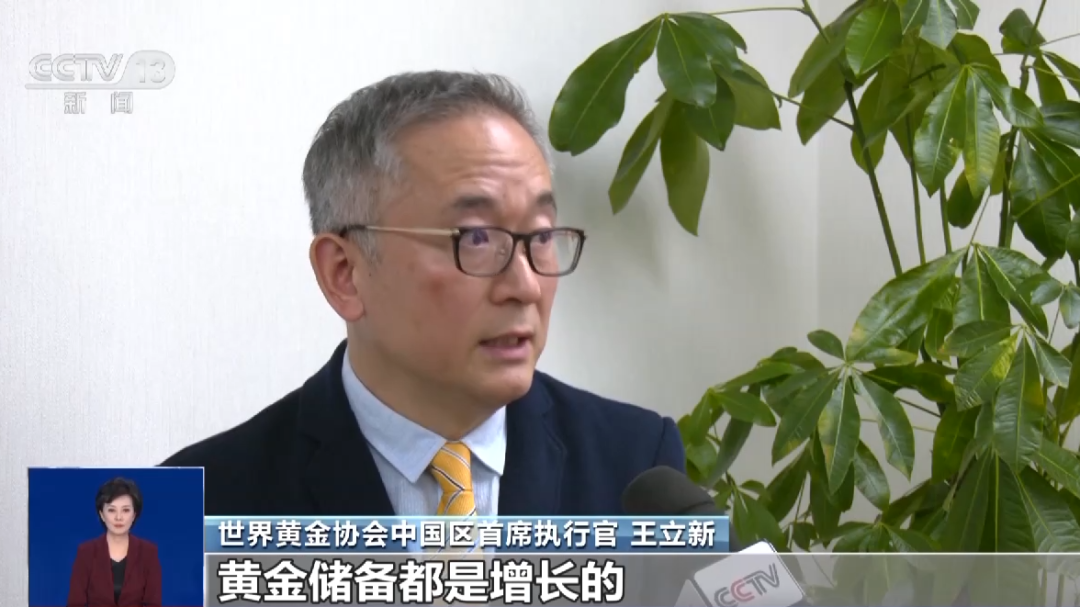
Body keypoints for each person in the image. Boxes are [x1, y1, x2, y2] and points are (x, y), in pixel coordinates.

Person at [161, 70, 685, 516]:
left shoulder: (639, 467)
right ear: (344, 273)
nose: (526, 286)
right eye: (475, 238)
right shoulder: (202, 502)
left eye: (542, 236)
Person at [67, 477, 162, 607]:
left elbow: (154, 604)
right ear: (102, 514)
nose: (118, 517)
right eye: (111, 510)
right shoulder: (86, 552)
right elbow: (75, 603)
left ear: (134, 514)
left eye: (125, 510)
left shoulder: (148, 552)